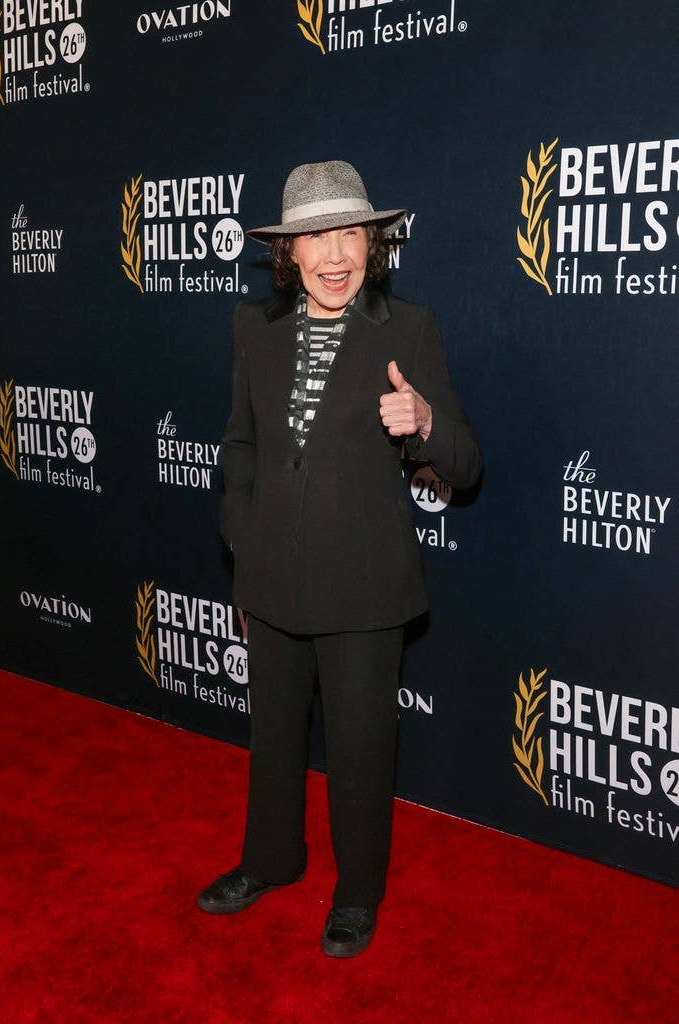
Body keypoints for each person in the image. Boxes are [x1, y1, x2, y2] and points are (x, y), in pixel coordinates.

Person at [197, 160, 482, 957]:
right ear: (287, 252)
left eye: (348, 233)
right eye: (315, 235)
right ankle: (271, 860)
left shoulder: (409, 328)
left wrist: (425, 421)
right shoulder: (253, 329)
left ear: (372, 244)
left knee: (360, 752)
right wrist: (239, 531)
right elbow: (242, 441)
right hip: (270, 572)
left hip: (364, 585)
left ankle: (357, 893)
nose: (333, 254)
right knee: (274, 738)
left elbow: (466, 465)